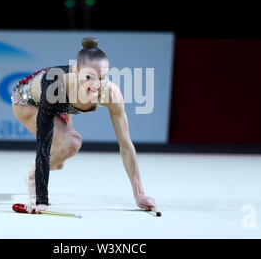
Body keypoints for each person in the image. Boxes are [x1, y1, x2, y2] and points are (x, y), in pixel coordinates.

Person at [10, 37, 157, 214]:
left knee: (60, 161)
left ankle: (39, 172)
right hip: (28, 103)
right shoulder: (55, 87)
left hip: (61, 104)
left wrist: (140, 195)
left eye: (102, 77)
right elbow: (43, 145)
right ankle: (32, 178)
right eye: (89, 77)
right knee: (71, 143)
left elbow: (125, 144)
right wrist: (42, 200)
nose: (96, 85)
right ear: (75, 72)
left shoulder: (111, 93)